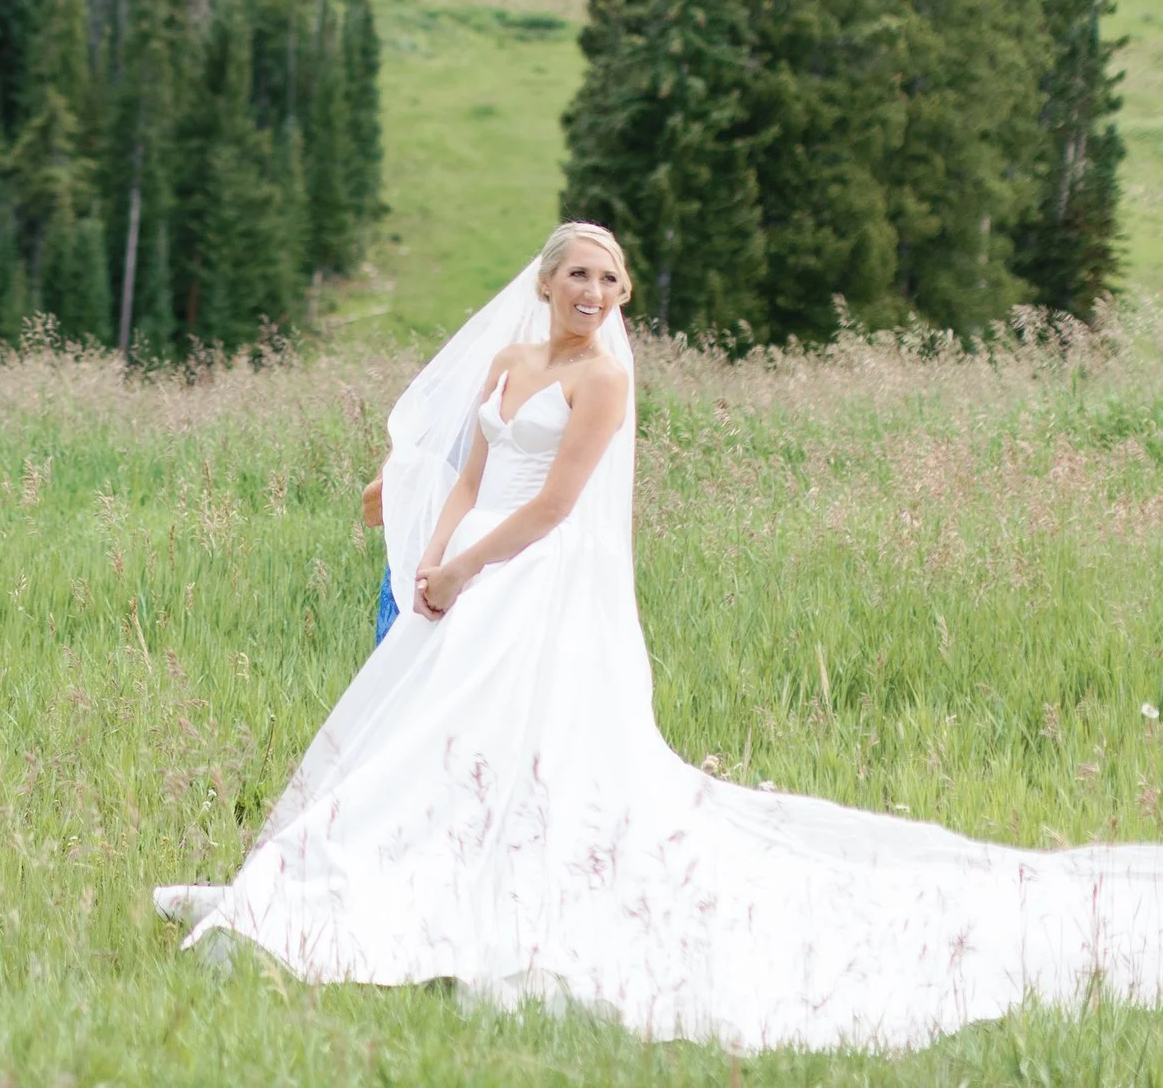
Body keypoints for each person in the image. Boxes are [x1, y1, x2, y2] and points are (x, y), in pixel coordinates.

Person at [158, 222, 1163, 1051]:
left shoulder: (602, 382)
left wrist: (468, 569)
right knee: (418, 734)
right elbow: (470, 470)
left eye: (610, 280)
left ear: (619, 296)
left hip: (526, 581)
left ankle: (490, 895)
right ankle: (358, 877)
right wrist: (433, 554)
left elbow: (554, 505)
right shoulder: (508, 362)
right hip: (460, 565)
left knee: (496, 735)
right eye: (578, 276)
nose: (593, 292)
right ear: (544, 283)